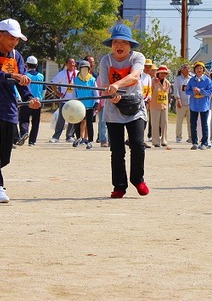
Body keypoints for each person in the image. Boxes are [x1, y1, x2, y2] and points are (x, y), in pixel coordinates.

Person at [0, 18, 40, 203]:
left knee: (4, 158)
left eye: (17, 39)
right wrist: (11, 75)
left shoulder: (16, 56)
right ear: (0, 36)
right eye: (11, 38)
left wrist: (29, 99)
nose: (14, 42)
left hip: (9, 110)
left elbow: (22, 85)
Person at [98, 23, 150, 198]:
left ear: (130, 45)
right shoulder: (106, 60)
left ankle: (138, 179)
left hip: (135, 108)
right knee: (117, 150)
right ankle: (119, 185)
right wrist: (110, 94)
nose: (119, 46)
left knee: (137, 144)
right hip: (113, 109)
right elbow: (104, 85)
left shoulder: (138, 57)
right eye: (115, 42)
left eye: (124, 42)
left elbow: (135, 76)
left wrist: (117, 85)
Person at [49, 57, 78, 143]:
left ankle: (69, 136)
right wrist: (57, 93)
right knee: (61, 118)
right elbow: (52, 83)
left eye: (73, 63)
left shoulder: (78, 73)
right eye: (70, 63)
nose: (72, 64)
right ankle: (56, 136)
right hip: (64, 99)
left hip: (74, 100)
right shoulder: (62, 74)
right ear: (66, 64)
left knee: (72, 118)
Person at [186, 61, 212, 150]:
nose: (199, 70)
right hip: (193, 105)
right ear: (194, 70)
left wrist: (201, 91)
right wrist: (193, 91)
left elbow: (210, 92)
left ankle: (204, 142)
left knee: (204, 124)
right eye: (197, 68)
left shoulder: (207, 80)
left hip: (204, 105)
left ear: (203, 70)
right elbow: (187, 91)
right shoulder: (191, 80)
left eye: (201, 68)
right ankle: (194, 142)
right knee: (193, 124)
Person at [19, 56, 44, 147]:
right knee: (35, 122)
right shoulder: (41, 76)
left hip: (26, 101)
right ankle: (32, 141)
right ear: (36, 65)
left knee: (24, 119)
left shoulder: (25, 76)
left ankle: (24, 133)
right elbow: (43, 89)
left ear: (26, 65)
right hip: (38, 101)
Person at [72, 59, 97, 149]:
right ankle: (78, 138)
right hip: (79, 106)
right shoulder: (75, 80)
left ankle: (90, 140)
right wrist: (73, 102)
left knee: (89, 123)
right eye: (82, 68)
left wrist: (96, 103)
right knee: (77, 123)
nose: (84, 71)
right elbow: (74, 92)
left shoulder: (92, 80)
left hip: (89, 106)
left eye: (86, 68)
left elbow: (95, 93)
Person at [149, 65, 171, 147]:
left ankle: (164, 140)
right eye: (161, 73)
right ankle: (156, 141)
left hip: (164, 105)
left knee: (164, 123)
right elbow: (150, 92)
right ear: (158, 73)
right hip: (154, 105)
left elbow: (168, 94)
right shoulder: (153, 81)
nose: (163, 75)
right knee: (155, 123)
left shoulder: (167, 83)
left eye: (164, 73)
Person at [173, 63, 192, 143]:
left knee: (190, 121)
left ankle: (191, 136)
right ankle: (178, 136)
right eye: (185, 68)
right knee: (179, 121)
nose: (187, 69)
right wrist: (178, 100)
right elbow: (176, 90)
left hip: (190, 103)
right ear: (182, 69)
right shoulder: (178, 79)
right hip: (181, 102)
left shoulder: (191, 79)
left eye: (188, 68)